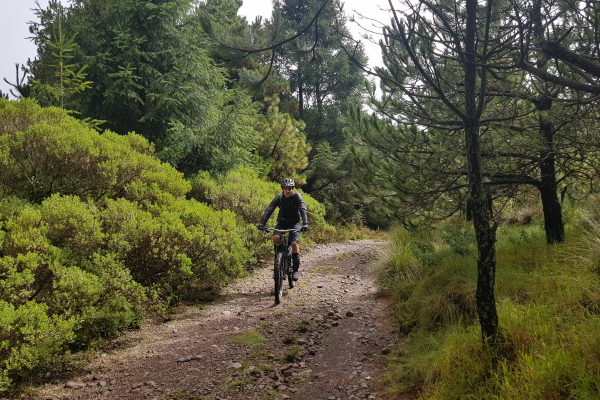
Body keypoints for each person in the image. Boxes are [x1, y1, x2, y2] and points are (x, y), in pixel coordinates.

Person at [257, 178, 309, 281]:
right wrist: (262, 223)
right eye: (285, 188)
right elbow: (269, 210)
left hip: (295, 224)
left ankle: (295, 271)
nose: (287, 191)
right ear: (282, 189)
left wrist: (305, 223)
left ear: (292, 189)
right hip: (282, 223)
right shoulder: (279, 197)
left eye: (289, 188)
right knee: (276, 237)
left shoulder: (296, 197)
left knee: (294, 243)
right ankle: (278, 262)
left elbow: (302, 208)